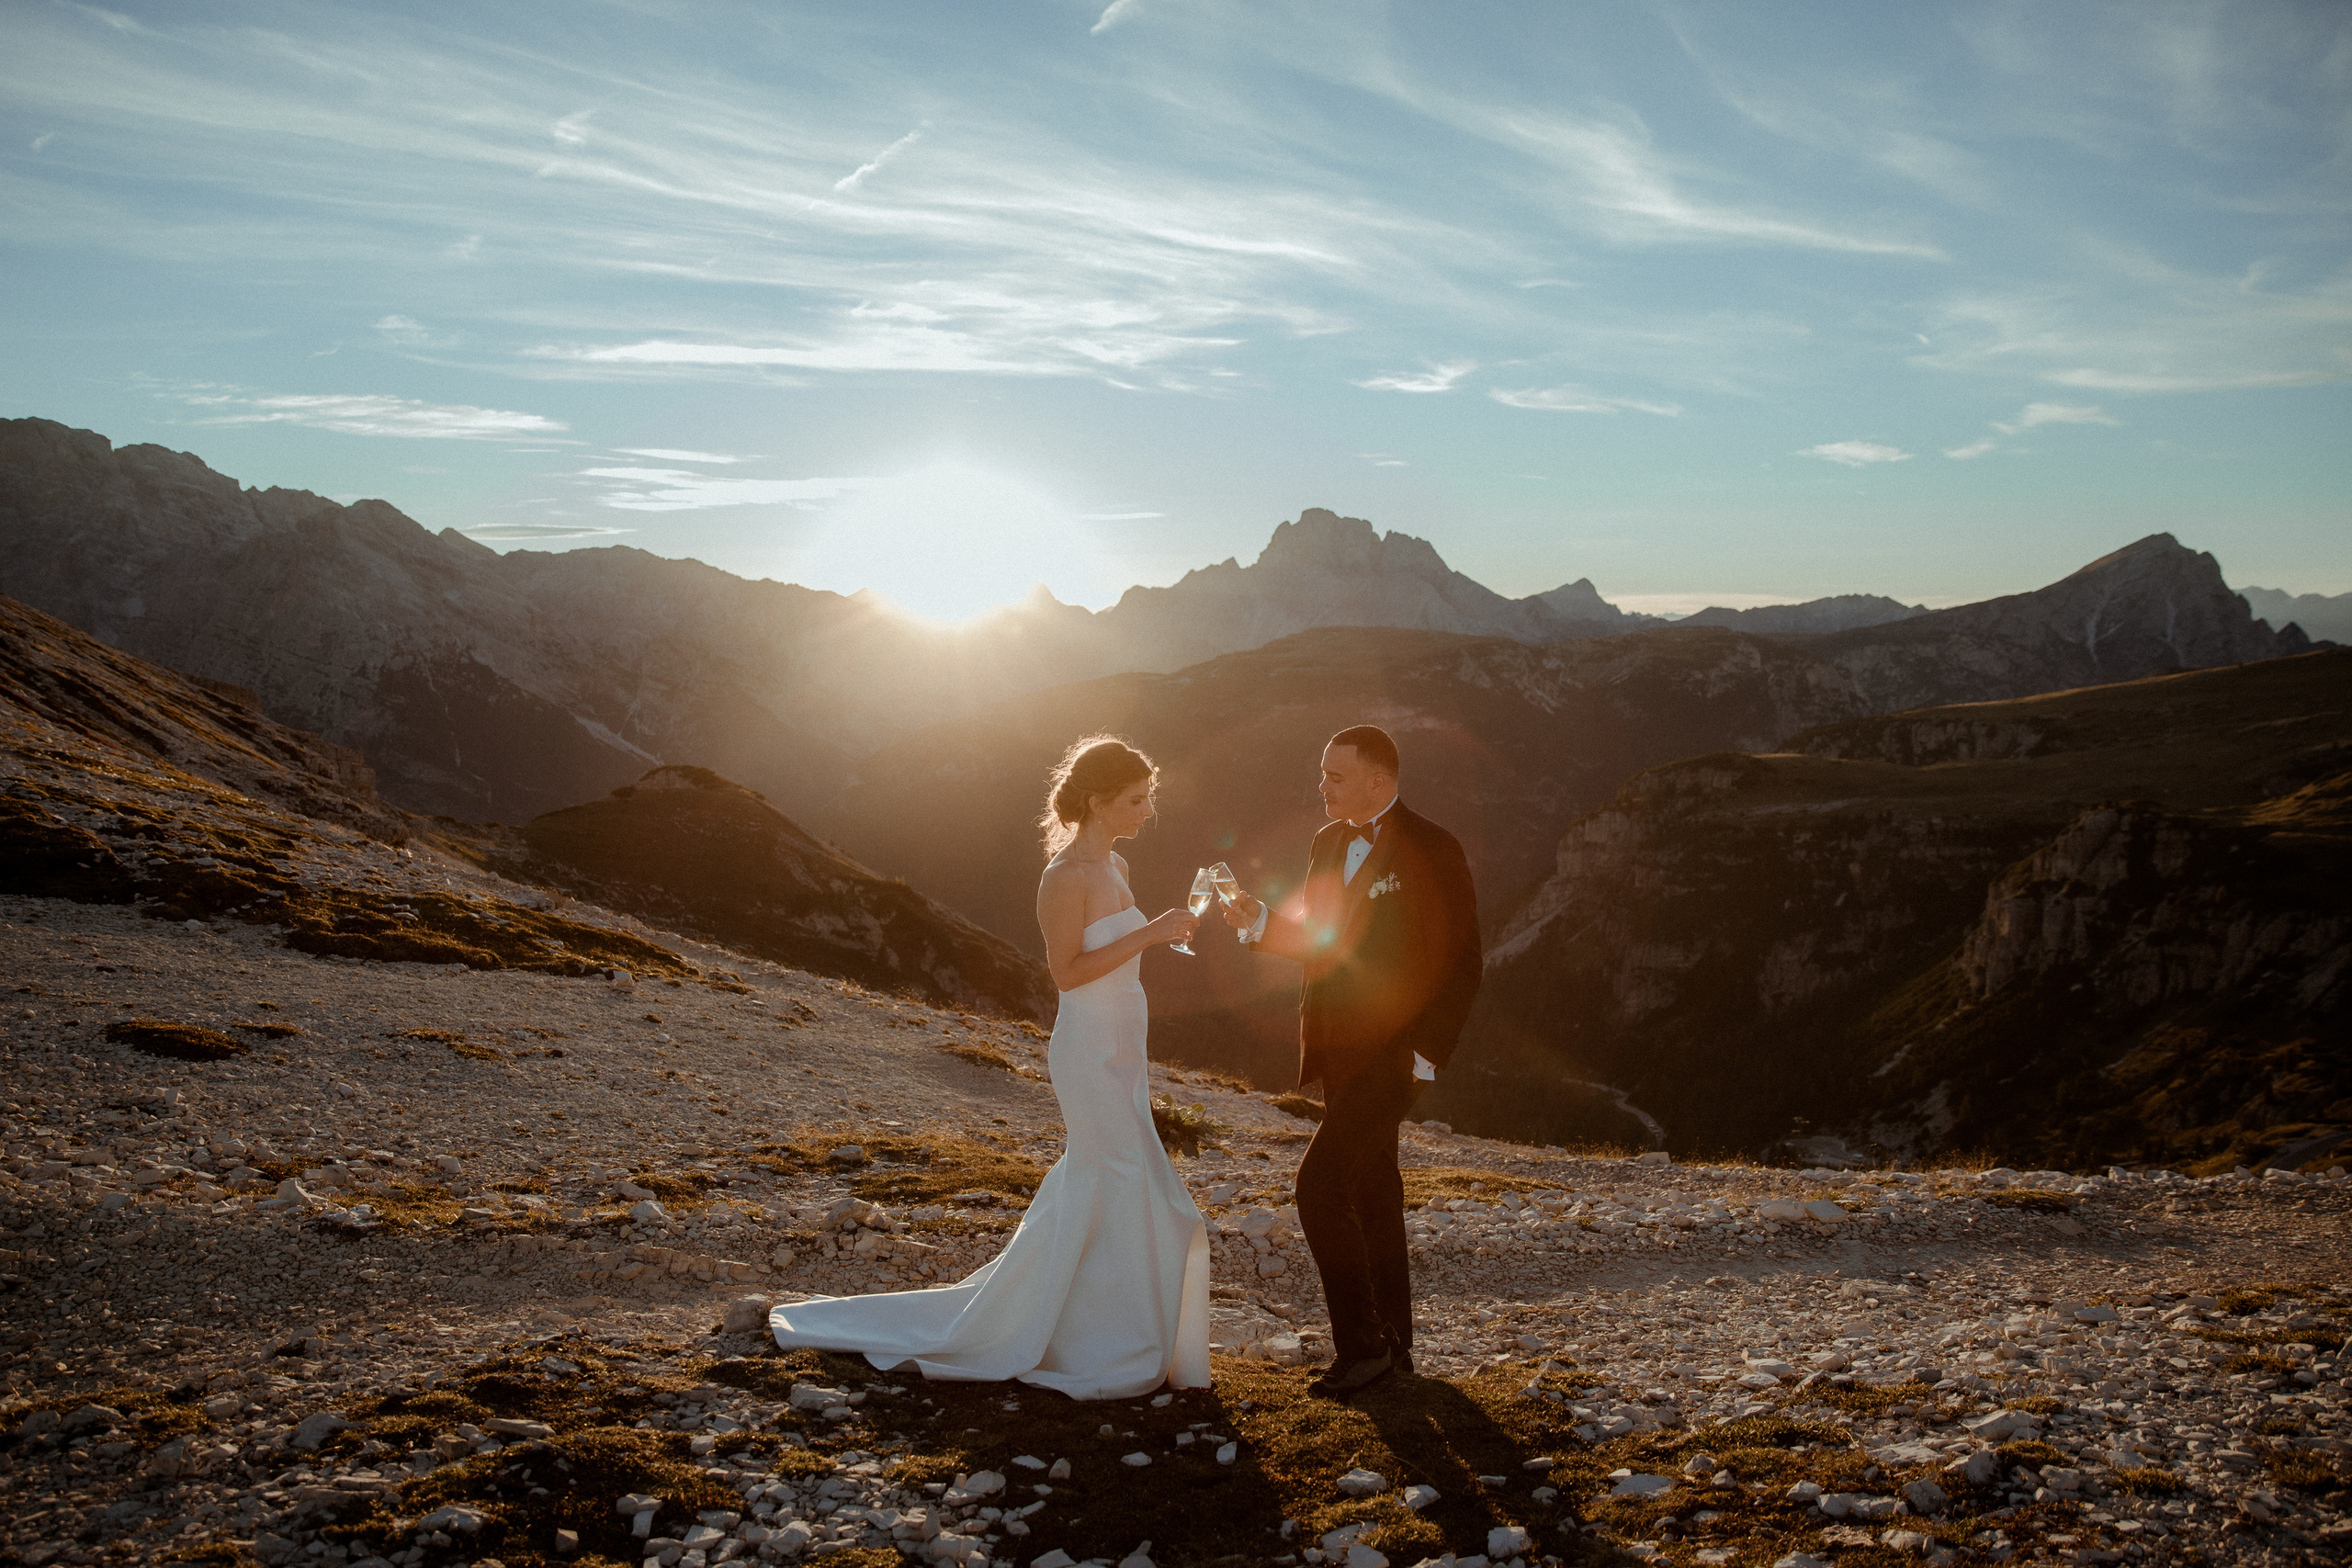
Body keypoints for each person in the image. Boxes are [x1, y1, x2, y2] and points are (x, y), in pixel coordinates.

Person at [770, 735, 1211, 1399]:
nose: (1148, 810)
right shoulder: (1062, 878)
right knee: (1119, 1174)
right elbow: (1067, 973)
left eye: (1148, 798)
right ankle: (1097, 1338)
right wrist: (1152, 933)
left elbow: (1119, 960)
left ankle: (1098, 1325)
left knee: (1114, 1180)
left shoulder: (1116, 869)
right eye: (1136, 799)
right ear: (1096, 801)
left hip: (1125, 1050)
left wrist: (1163, 932)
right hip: (1087, 1052)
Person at [1220, 724, 1480, 1398]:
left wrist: (1428, 1054)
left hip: (1396, 1056)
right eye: (1322, 773)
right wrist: (1258, 922)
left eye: (1336, 776)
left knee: (1318, 1187)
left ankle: (1361, 1347)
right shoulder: (1327, 843)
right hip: (1339, 1045)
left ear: (1379, 779)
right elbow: (1325, 940)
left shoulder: (1432, 845)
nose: (1322, 786)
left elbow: (1462, 959)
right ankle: (1395, 1347)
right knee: (1372, 1189)